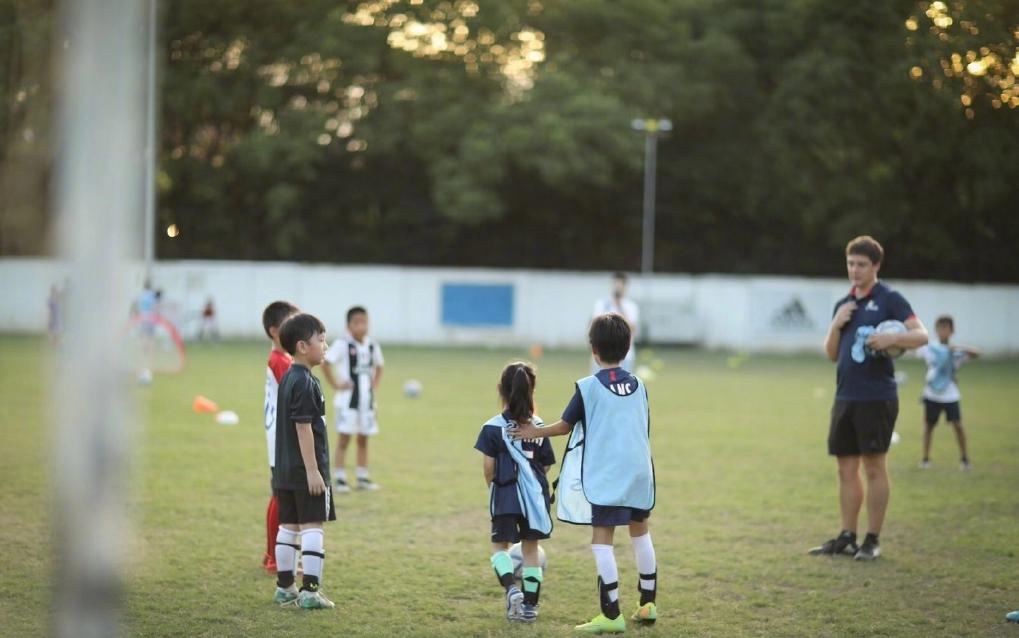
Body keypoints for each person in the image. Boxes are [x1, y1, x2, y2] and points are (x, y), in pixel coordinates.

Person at [513, 314, 658, 634]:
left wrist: (529, 432)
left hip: (609, 476)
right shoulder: (639, 384)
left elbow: (564, 427)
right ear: (627, 346)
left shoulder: (588, 387)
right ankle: (648, 604)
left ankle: (611, 614)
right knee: (640, 532)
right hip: (640, 473)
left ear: (594, 350)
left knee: (602, 538)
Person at [812, 236, 928, 561]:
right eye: (850, 263)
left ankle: (872, 539)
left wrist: (895, 337)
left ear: (876, 266)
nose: (855, 270)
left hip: (877, 398)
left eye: (862, 264)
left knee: (874, 468)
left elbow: (922, 334)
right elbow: (832, 353)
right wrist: (836, 325)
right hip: (845, 396)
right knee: (845, 469)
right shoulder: (844, 304)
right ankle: (847, 536)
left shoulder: (889, 298)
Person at [474, 362, 555, 624]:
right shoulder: (539, 426)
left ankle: (511, 590)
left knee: (500, 547)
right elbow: (546, 464)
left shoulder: (492, 427)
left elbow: (489, 467)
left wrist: (494, 489)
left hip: (506, 495)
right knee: (531, 551)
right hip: (535, 498)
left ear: (501, 390)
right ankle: (530, 607)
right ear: (531, 391)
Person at [272, 313, 336, 609]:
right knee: (312, 527)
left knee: (288, 526)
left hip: (283, 470)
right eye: (321, 340)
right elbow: (303, 427)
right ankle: (310, 592)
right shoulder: (306, 382)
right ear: (301, 346)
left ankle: (285, 588)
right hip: (305, 470)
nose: (326, 346)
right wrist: (313, 471)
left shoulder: (288, 378)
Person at [322, 306, 385, 492]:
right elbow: (326, 362)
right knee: (344, 438)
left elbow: (380, 365)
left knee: (363, 438)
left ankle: (362, 478)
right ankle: (340, 478)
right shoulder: (343, 344)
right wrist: (335, 384)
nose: (361, 326)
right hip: (347, 401)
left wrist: (375, 383)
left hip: (367, 401)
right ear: (348, 326)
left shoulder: (372, 345)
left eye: (364, 322)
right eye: (356, 322)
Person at [261, 301, 299, 573]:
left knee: (278, 496)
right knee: (282, 498)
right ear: (275, 331)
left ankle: (269, 553)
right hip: (282, 441)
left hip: (278, 439)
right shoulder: (281, 362)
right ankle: (275, 557)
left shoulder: (279, 359)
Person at [916, 315, 980, 471]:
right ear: (936, 330)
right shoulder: (930, 347)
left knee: (958, 425)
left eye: (946, 328)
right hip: (931, 394)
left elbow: (977, 353)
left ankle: (964, 459)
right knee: (929, 426)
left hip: (950, 395)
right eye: (940, 328)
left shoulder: (955, 351)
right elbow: (916, 347)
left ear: (952, 331)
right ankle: (925, 459)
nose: (943, 331)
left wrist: (958, 348)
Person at [591, 272, 639, 373]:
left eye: (620, 285)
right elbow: (594, 326)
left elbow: (633, 329)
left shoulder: (631, 306)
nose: (617, 288)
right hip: (602, 355)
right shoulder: (602, 304)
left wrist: (620, 307)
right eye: (615, 284)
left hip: (625, 356)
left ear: (625, 287)